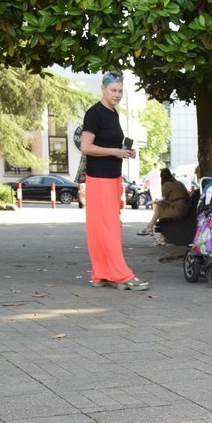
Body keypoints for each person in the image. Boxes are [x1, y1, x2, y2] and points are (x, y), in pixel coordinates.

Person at [80, 71, 149, 291]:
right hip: (99, 179)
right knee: (107, 228)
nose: (117, 94)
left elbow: (110, 146)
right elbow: (85, 147)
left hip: (112, 177)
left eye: (120, 90)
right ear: (103, 89)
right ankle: (121, 275)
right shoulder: (94, 113)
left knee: (107, 227)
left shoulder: (113, 113)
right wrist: (114, 152)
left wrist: (125, 153)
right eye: (113, 90)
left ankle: (101, 274)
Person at [136, 168, 190, 237]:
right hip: (184, 207)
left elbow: (163, 199)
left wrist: (155, 201)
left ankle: (151, 227)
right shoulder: (178, 183)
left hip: (179, 209)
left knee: (160, 206)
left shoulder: (167, 184)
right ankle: (159, 235)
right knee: (161, 206)